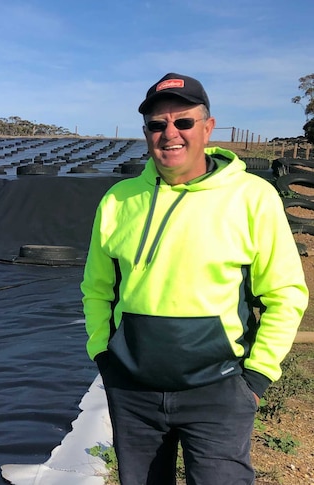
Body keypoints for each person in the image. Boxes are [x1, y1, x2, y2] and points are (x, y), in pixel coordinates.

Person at [81, 72, 309, 484]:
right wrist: (103, 354)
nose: (170, 133)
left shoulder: (252, 197)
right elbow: (97, 288)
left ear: (207, 128)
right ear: (146, 132)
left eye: (183, 121)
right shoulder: (118, 200)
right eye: (157, 124)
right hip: (132, 393)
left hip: (218, 390)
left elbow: (285, 294)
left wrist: (256, 378)